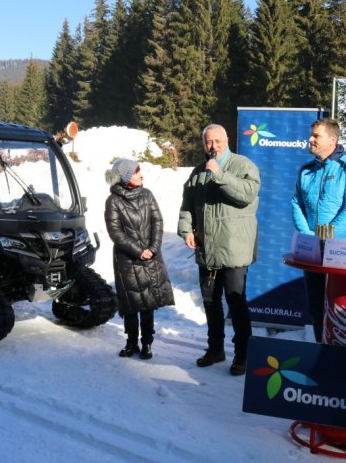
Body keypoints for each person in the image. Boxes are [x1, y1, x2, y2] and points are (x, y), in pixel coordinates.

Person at [178, 124, 260, 376]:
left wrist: (220, 174)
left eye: (217, 141)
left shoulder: (243, 165)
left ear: (227, 140)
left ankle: (243, 354)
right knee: (211, 301)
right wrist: (186, 230)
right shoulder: (198, 171)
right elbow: (188, 204)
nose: (213, 146)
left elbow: (248, 194)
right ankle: (215, 349)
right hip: (207, 247)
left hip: (234, 248)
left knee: (236, 303)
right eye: (208, 142)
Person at [291, 118, 346, 342]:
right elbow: (297, 203)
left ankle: (341, 361)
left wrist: (327, 237)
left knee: (340, 310)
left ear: (332, 140)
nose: (310, 139)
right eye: (311, 135)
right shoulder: (306, 171)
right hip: (312, 251)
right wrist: (308, 237)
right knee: (316, 308)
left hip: (341, 252)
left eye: (316, 136)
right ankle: (319, 354)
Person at [105, 158, 174, 360]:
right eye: (136, 172)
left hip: (150, 257)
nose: (141, 175)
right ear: (126, 176)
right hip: (127, 259)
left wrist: (152, 248)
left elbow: (158, 222)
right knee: (130, 302)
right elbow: (115, 232)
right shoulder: (113, 201)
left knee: (148, 302)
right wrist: (138, 251)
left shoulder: (147, 194)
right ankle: (131, 342)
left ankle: (147, 343)